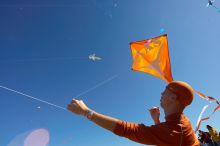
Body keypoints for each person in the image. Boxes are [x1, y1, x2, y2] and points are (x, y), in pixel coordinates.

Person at [67, 81, 200, 146]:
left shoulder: (175, 130)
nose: (161, 93)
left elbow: (127, 130)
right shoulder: (181, 123)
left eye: (165, 90)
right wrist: (156, 121)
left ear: (173, 98)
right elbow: (165, 138)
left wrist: (86, 112)